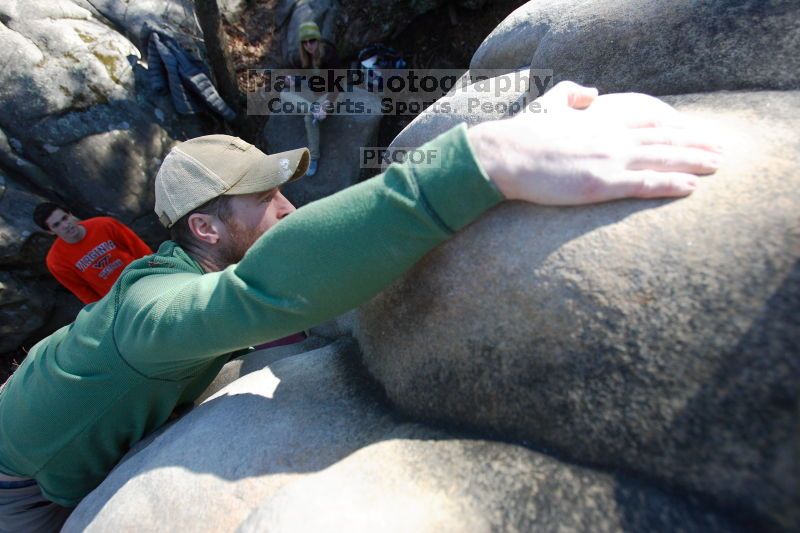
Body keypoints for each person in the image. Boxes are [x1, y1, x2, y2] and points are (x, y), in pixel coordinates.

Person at [0, 82, 723, 531]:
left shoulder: (177, 279)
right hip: (19, 491)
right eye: (266, 198)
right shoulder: (150, 317)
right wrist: (486, 161)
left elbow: (319, 261)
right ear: (205, 229)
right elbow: (260, 293)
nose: (287, 206)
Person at [32, 204, 153, 304]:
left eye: (64, 218)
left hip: (146, 280)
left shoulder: (105, 225)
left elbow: (141, 250)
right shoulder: (56, 261)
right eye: (56, 225)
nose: (65, 225)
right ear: (49, 231)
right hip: (120, 302)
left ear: (70, 214)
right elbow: (84, 293)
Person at [279, 21, 341, 176]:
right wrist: (294, 81)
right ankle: (313, 109)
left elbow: (337, 85)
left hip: (332, 93)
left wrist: (326, 105)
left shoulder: (329, 54)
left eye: (312, 41)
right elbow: (309, 79)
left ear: (318, 40)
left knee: (308, 119)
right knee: (283, 94)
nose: (308, 45)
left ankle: (313, 157)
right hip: (314, 93)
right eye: (305, 42)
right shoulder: (304, 57)